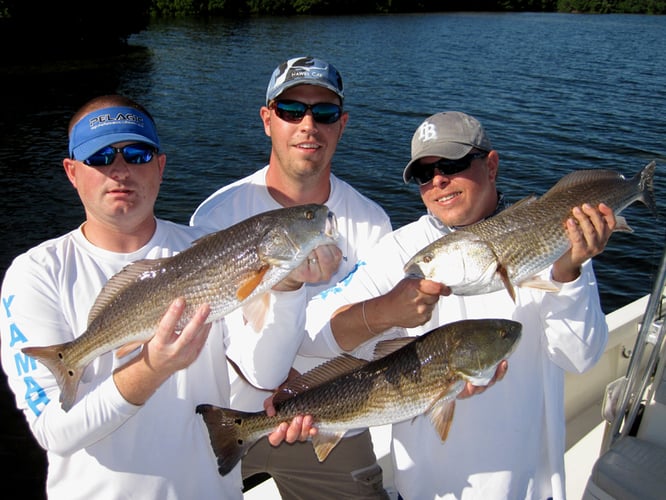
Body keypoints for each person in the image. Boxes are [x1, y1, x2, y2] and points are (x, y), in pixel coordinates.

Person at [0, 94, 329, 500]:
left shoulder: (209, 249)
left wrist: (288, 287)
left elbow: (263, 373)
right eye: (100, 157)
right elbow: (55, 431)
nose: (120, 171)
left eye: (137, 154)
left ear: (160, 166)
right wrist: (150, 368)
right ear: (71, 171)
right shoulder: (37, 273)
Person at [305, 111, 614, 499]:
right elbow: (313, 333)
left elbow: (580, 359)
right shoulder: (403, 250)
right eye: (423, 174)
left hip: (526, 488)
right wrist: (383, 311)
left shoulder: (548, 237)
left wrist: (568, 272)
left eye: (452, 164)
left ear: (492, 165)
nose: (438, 181)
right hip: (424, 491)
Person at [190, 56, 393, 499]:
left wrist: (304, 393)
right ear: (267, 120)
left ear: (341, 125)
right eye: (290, 110)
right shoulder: (218, 214)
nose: (308, 125)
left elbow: (374, 343)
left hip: (326, 419)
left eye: (323, 113)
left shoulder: (373, 222)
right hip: (220, 414)